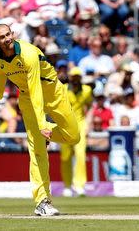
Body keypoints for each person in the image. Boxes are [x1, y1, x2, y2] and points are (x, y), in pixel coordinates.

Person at [0, 24, 80, 216]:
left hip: (53, 92)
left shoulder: (28, 53)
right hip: (27, 99)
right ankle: (42, 201)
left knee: (73, 137)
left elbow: (36, 88)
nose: (7, 39)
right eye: (2, 37)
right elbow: (1, 73)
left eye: (9, 34)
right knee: (36, 150)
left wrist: (43, 124)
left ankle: (44, 133)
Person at [60, 67, 93, 197]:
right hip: (65, 124)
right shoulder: (63, 89)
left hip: (80, 124)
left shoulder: (87, 90)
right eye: (74, 77)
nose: (75, 80)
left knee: (80, 154)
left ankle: (79, 185)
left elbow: (90, 106)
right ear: (70, 78)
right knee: (66, 156)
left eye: (78, 77)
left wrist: (88, 123)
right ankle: (67, 186)